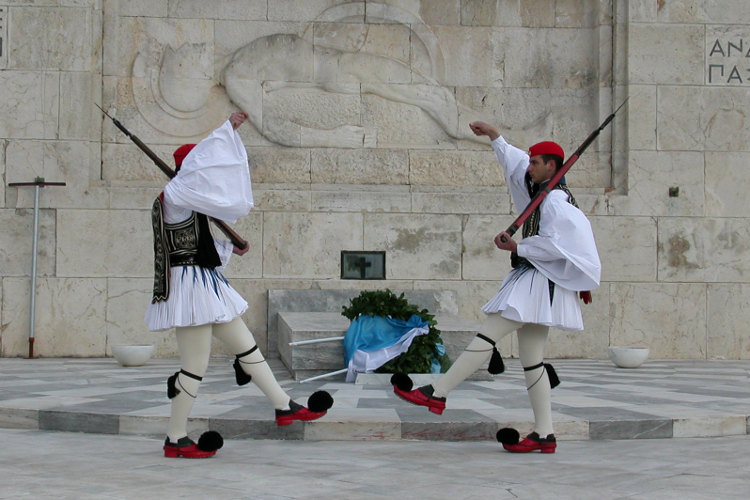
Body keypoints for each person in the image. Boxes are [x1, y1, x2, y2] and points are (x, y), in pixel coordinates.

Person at [391, 121, 601, 454]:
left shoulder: (558, 203)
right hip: (535, 279)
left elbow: (559, 245)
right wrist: (495, 137)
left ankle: (438, 392)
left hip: (539, 280)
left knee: (488, 333)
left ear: (552, 166)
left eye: (536, 163)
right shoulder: (539, 192)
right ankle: (544, 434)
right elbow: (515, 164)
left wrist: (518, 248)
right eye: (530, 161)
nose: (529, 167)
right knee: (532, 361)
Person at [146, 111, 333, 458]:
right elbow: (185, 247)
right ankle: (175, 437)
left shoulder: (188, 199)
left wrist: (231, 246)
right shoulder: (175, 194)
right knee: (194, 366)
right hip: (190, 292)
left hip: (205, 284)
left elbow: (200, 245)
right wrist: (227, 129)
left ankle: (283, 405)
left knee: (247, 348)